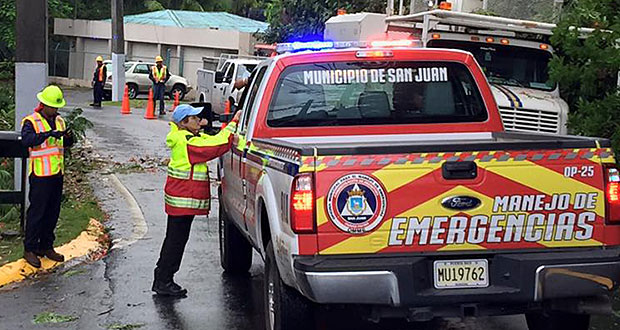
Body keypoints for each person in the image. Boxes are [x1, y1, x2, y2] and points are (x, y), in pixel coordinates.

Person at [152, 104, 241, 297]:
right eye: (194, 119)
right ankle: (163, 280)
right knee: (175, 241)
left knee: (175, 239)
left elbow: (212, 139)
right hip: (182, 200)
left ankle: (163, 278)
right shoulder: (188, 142)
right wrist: (234, 123)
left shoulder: (187, 137)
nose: (199, 121)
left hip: (181, 199)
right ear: (184, 123)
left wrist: (222, 127)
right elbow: (216, 145)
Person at [20, 85, 74, 268]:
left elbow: (66, 144)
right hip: (40, 174)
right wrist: (48, 134)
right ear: (43, 104)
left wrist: (67, 137)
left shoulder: (59, 121)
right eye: (53, 106)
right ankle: (30, 248)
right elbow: (27, 141)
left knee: (52, 212)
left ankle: (46, 246)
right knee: (37, 212)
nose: (56, 110)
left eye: (57, 107)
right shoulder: (31, 121)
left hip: (57, 173)